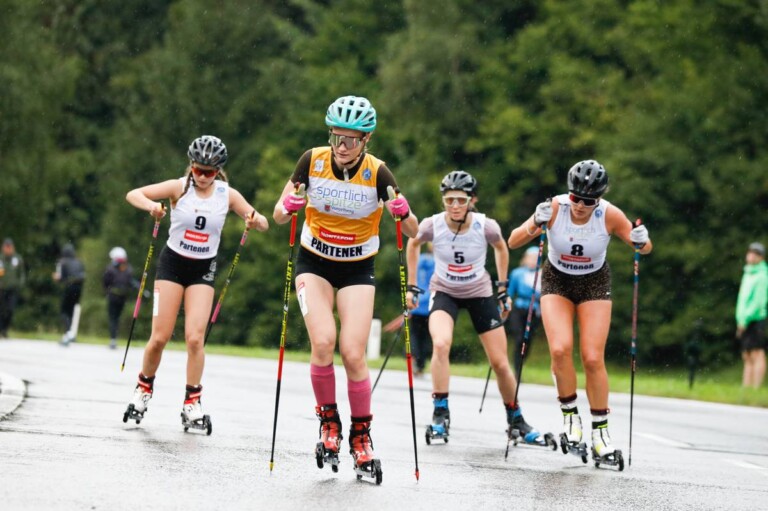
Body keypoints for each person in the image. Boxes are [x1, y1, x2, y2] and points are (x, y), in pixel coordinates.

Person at [272, 95, 418, 479]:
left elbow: (414, 231)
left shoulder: (378, 173)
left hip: (357, 269)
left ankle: (362, 437)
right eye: (336, 137)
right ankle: (329, 425)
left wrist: (404, 214)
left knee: (353, 352)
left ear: (366, 140)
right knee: (323, 342)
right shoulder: (312, 160)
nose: (342, 147)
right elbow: (277, 213)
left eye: (351, 139)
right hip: (313, 262)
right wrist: (288, 205)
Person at [508, 159, 652, 464]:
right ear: (568, 192)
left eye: (589, 201)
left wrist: (642, 240)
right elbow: (513, 241)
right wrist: (536, 221)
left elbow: (642, 246)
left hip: (594, 282)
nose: (581, 206)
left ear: (599, 199)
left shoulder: (609, 214)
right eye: (576, 198)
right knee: (560, 350)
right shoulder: (555, 208)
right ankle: (571, 419)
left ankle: (601, 434)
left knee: (592, 357)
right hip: (557, 279)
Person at [122, 135, 269, 431]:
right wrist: (151, 207)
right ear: (191, 165)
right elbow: (133, 193)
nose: (202, 177)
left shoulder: (227, 194)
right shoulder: (179, 187)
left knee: (194, 338)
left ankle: (192, 402)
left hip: (203, 269)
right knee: (160, 337)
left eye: (209, 172)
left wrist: (255, 221)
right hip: (172, 265)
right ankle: (143, 390)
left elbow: (261, 220)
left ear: (218, 171)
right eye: (198, 170)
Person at [407, 170, 549, 447]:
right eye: (449, 201)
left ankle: (516, 419)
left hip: (479, 292)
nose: (455, 206)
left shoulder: (486, 226)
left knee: (499, 362)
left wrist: (503, 286)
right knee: (441, 344)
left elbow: (501, 247)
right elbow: (413, 243)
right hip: (444, 291)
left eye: (461, 200)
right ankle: (440, 413)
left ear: (473, 200)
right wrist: (413, 286)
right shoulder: (432, 225)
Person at [382, 243, 435, 377]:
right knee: (424, 337)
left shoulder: (420, 259)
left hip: (416, 302)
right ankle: (420, 364)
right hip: (429, 305)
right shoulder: (438, 263)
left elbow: (414, 279)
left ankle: (417, 362)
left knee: (416, 335)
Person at [505, 245, 542, 374]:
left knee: (527, 341)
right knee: (519, 338)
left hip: (535, 311)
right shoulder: (517, 273)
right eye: (530, 258)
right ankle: (515, 369)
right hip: (519, 309)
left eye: (535, 258)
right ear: (525, 259)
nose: (532, 261)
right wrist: (504, 306)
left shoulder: (542, 275)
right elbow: (509, 291)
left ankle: (519, 364)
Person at [735, 242, 767, 388]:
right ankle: (746, 388)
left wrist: (745, 319)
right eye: (750, 252)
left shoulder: (762, 275)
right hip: (744, 320)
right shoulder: (748, 273)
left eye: (755, 253)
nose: (751, 255)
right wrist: (740, 319)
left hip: (756, 319)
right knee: (746, 354)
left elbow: (758, 302)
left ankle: (756, 387)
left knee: (757, 353)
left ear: (761, 257)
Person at [103, 247, 137, 350]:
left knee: (113, 318)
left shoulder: (110, 269)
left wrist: (107, 291)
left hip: (113, 297)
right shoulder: (128, 269)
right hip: (122, 298)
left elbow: (105, 282)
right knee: (116, 319)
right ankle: (114, 338)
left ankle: (113, 339)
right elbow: (130, 283)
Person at [53, 243, 85, 345]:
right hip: (78, 288)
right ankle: (71, 334)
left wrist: (56, 278)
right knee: (71, 311)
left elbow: (60, 277)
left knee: (64, 311)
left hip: (69, 287)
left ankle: (68, 333)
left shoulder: (62, 262)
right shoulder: (79, 262)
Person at [0, 238, 26, 338]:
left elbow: (21, 273)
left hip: (13, 289)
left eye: (9, 247)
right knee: (1, 309)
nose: (8, 249)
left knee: (10, 309)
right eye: (6, 247)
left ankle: (5, 329)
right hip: (2, 288)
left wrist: (19, 284)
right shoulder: (1, 259)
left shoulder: (17, 259)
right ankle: (2, 329)